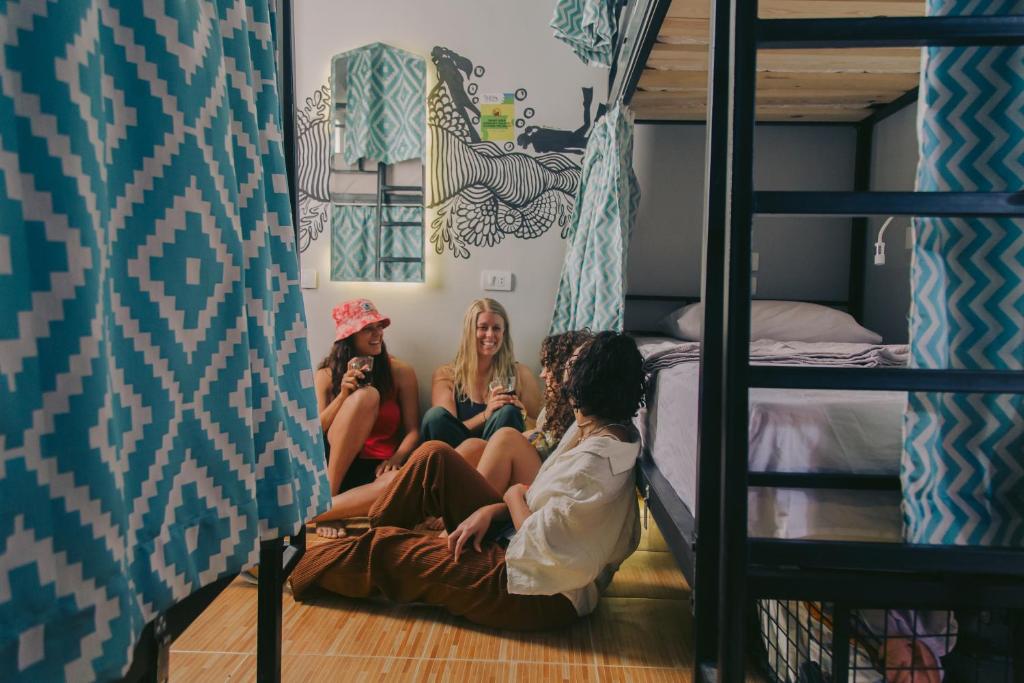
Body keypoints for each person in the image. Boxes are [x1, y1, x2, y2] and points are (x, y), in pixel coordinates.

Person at [291, 331, 647, 632]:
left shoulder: (595, 462)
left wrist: (509, 497)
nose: (556, 372)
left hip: (534, 587)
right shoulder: (593, 429)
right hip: (519, 545)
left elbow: (541, 544)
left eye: (570, 366)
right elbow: (539, 503)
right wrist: (494, 510)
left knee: (391, 550)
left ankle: (294, 569)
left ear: (587, 379)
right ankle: (363, 548)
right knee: (434, 455)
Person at [456, 329, 593, 493]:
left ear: (566, 370)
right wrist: (525, 418)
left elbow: (555, 452)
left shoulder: (581, 412)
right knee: (474, 446)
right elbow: (542, 435)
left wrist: (519, 439)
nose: (542, 375)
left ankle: (468, 508)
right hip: (536, 464)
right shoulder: (555, 407)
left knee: (506, 438)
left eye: (549, 367)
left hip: (548, 477)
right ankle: (443, 507)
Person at [316, 299, 420, 496]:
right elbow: (315, 432)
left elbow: (413, 430)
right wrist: (343, 397)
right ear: (349, 336)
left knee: (398, 483)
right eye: (367, 329)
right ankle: (329, 495)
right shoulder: (326, 375)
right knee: (368, 396)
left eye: (379, 326)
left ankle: (325, 510)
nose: (378, 333)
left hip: (377, 466)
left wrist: (396, 459)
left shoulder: (400, 372)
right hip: (334, 466)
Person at [420, 298, 541, 448]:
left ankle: (489, 468)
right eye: (483, 327)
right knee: (434, 417)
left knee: (508, 411)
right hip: (457, 457)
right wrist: (485, 415)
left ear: (504, 332)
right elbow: (444, 428)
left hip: (499, 459)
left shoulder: (521, 373)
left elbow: (541, 429)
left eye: (496, 328)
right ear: (469, 331)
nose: (490, 335)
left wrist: (522, 416)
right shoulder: (446, 375)